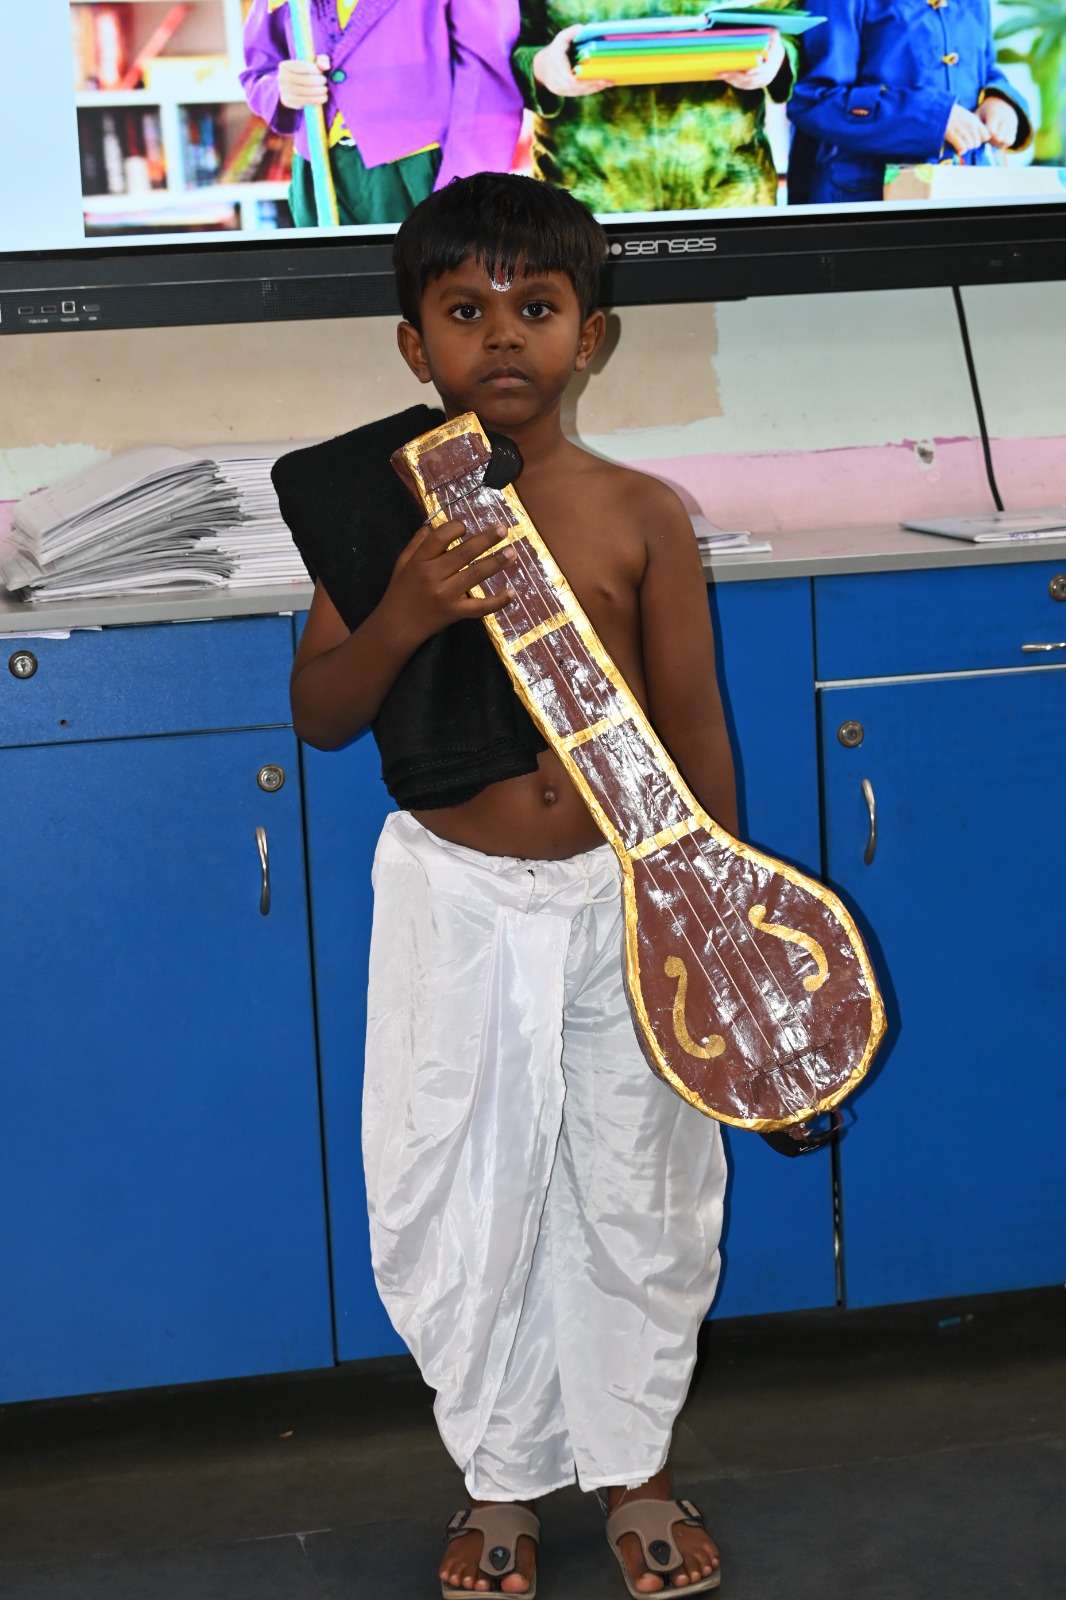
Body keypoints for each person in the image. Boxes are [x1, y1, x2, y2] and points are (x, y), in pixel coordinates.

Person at [273, 172, 737, 1598]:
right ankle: (498, 1483)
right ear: (413, 346)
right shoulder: (386, 518)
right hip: (455, 900)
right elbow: (321, 712)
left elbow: (693, 726)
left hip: (620, 895)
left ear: (588, 336)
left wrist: (716, 921)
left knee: (638, 1184)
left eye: (533, 307)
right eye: (463, 311)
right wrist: (408, 608)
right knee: (456, 1187)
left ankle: (635, 1471)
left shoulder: (640, 514)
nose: (500, 337)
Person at [240, 0, 523, 227]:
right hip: (318, 174)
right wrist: (280, 88)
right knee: (331, 281)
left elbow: (488, 83)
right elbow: (259, 69)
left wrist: (468, 189)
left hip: (426, 172)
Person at [513, 0, 803, 212]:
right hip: (585, 198)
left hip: (729, 191)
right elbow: (501, 49)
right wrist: (541, 67)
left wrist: (778, 57)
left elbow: (792, 26)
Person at [787, 0, 1031, 204]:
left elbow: (985, 69)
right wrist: (931, 117)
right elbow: (813, 99)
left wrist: (1000, 100)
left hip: (965, 194)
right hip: (865, 205)